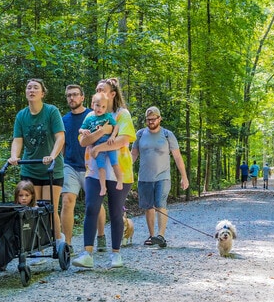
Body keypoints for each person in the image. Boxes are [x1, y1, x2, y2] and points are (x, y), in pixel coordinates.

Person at [72, 77, 136, 269]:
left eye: (103, 89)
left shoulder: (122, 114)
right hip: (93, 170)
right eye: (97, 88)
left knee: (116, 213)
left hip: (119, 172)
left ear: (112, 94)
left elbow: (124, 139)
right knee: (91, 208)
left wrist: (99, 147)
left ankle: (116, 254)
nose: (99, 91)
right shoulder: (91, 116)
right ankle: (87, 254)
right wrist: (102, 132)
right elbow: (83, 141)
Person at [8, 78, 65, 244]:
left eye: (35, 88)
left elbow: (60, 137)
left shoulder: (51, 111)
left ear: (42, 93)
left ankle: (57, 243)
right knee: (31, 210)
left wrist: (52, 156)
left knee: (49, 208)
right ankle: (36, 245)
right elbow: (17, 139)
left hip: (51, 169)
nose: (31, 90)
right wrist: (14, 156)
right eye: (28, 88)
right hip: (30, 168)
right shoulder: (21, 115)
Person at [131, 106, 189, 248]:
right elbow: (133, 155)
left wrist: (184, 177)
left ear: (159, 118)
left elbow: (177, 157)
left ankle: (161, 236)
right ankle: (152, 236)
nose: (150, 122)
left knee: (160, 204)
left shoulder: (168, 135)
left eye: (153, 119)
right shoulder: (140, 134)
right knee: (148, 207)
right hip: (144, 177)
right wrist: (124, 171)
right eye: (148, 120)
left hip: (163, 176)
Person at [60, 84, 107, 255]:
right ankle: (67, 244)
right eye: (68, 95)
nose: (71, 98)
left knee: (94, 204)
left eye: (74, 95)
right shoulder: (64, 120)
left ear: (82, 97)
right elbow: (63, 144)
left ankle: (101, 236)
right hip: (70, 165)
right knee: (67, 201)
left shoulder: (93, 115)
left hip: (91, 166)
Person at [79, 92, 123, 196]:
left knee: (114, 162)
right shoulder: (89, 118)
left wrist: (112, 136)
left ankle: (120, 180)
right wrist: (83, 131)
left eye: (103, 107)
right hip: (96, 145)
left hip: (108, 143)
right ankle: (103, 187)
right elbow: (81, 128)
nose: (100, 109)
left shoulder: (107, 116)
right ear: (92, 104)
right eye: (98, 105)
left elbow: (116, 126)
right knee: (101, 167)